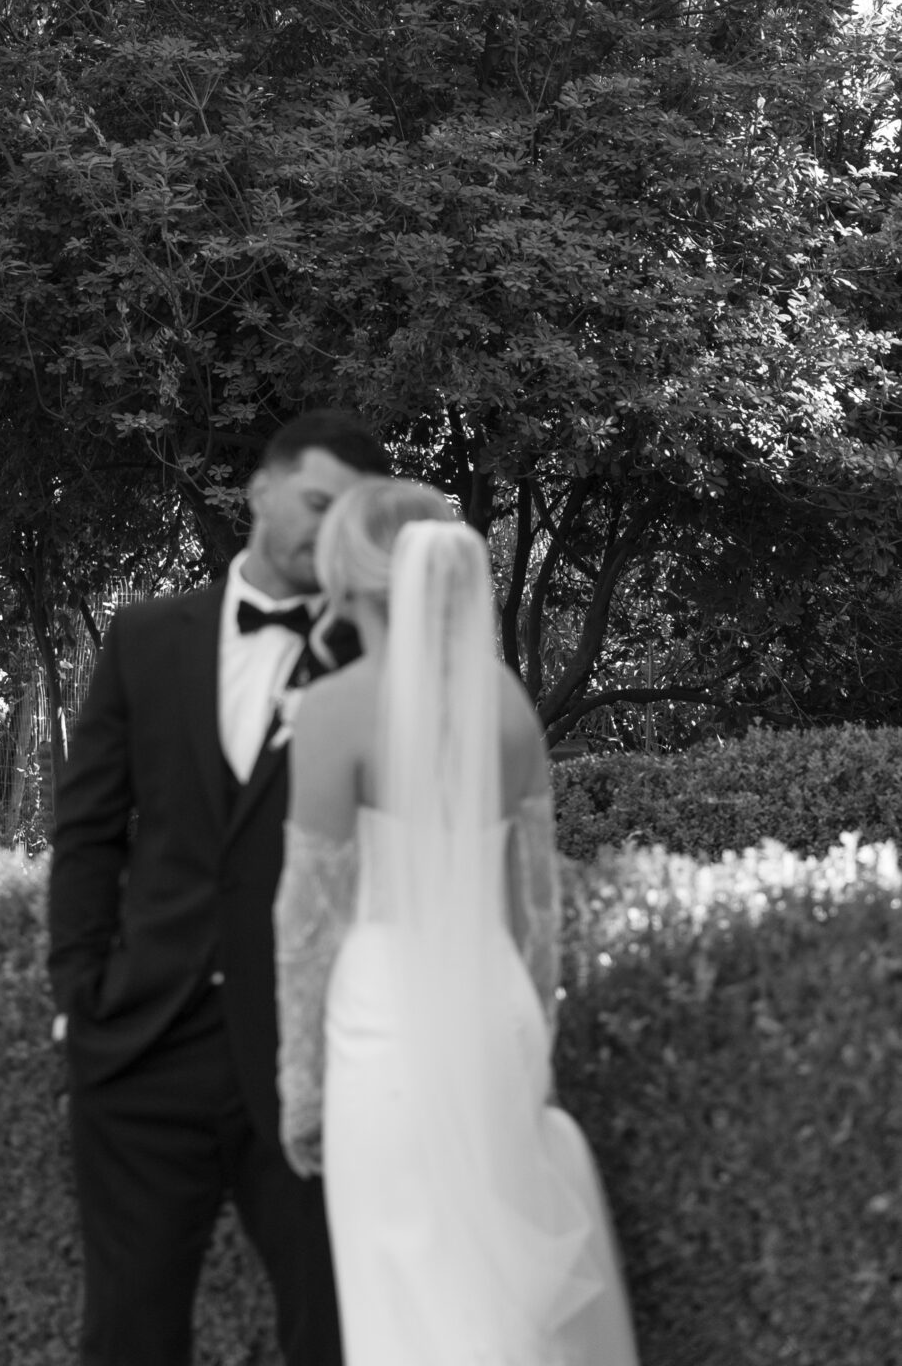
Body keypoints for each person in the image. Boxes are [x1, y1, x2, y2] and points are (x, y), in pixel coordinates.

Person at [47, 408, 390, 1366]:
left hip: (305, 1061)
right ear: (262, 488)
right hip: (142, 1048)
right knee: (128, 1334)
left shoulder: (371, 660)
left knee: (333, 1330)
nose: (328, 533)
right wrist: (79, 996)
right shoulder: (145, 638)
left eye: (350, 519)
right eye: (317, 503)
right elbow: (86, 831)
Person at [275, 481, 640, 1366]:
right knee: (495, 1302)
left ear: (349, 581)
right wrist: (534, 1039)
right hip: (493, 1011)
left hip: (385, 1028)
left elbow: (307, 918)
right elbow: (535, 901)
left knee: (402, 1292)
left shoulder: (331, 711)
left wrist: (299, 1085)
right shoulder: (507, 704)